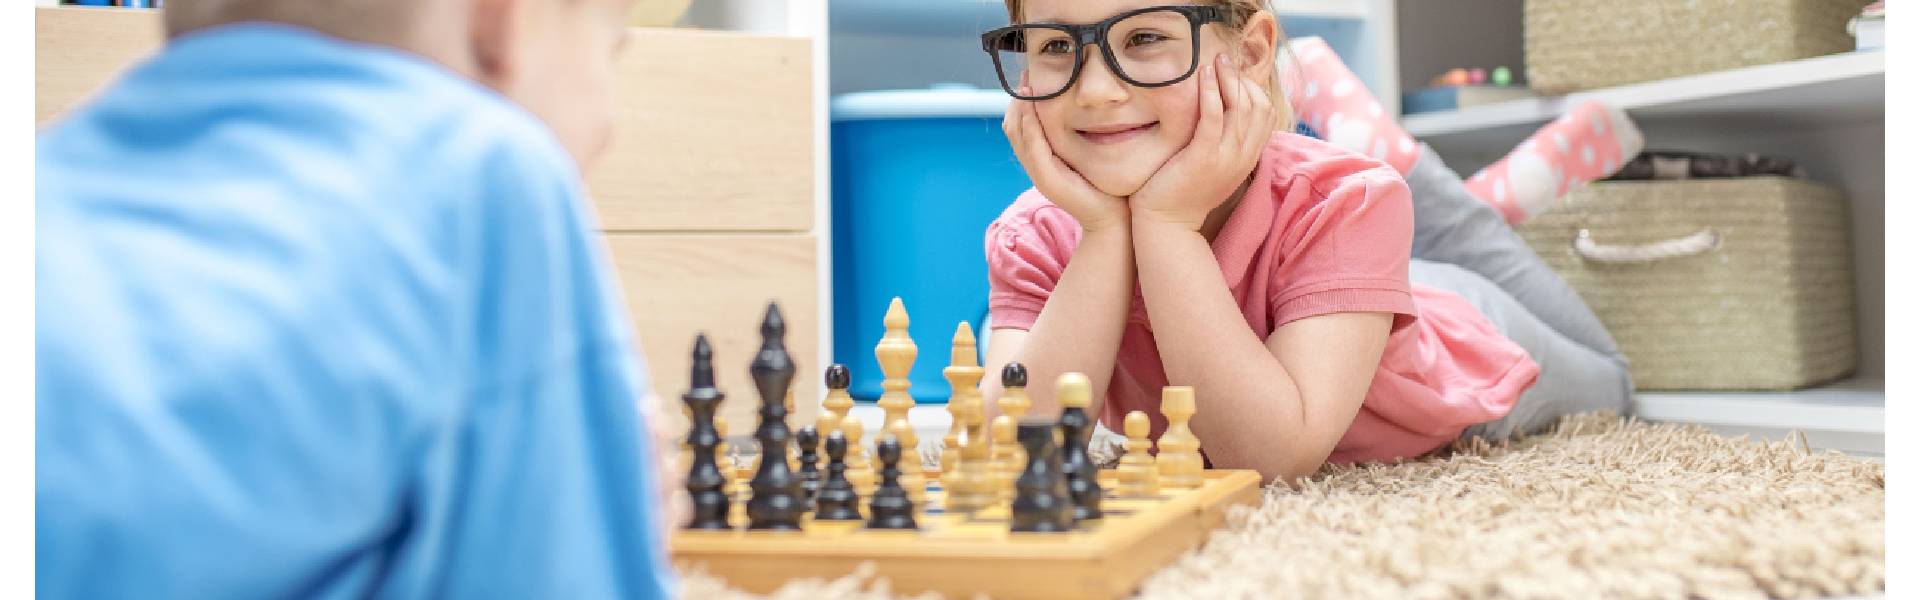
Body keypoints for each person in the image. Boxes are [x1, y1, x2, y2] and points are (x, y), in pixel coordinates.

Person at [36, 1, 676, 597]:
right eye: (611, 51)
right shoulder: (482, 168)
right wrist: (611, 515)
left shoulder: (45, 177)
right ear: (498, 24)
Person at [976, 0, 1632, 484]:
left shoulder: (1345, 202)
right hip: (1337, 269)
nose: (1093, 90)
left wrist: (1166, 226)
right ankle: (1399, 179)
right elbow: (1009, 448)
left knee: (1613, 379)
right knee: (1362, 216)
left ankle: (1425, 189)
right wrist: (1103, 233)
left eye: (1145, 36)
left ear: (1252, 54)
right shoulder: (1035, 233)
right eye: (1057, 47)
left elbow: (1269, 458)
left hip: (1454, 333)